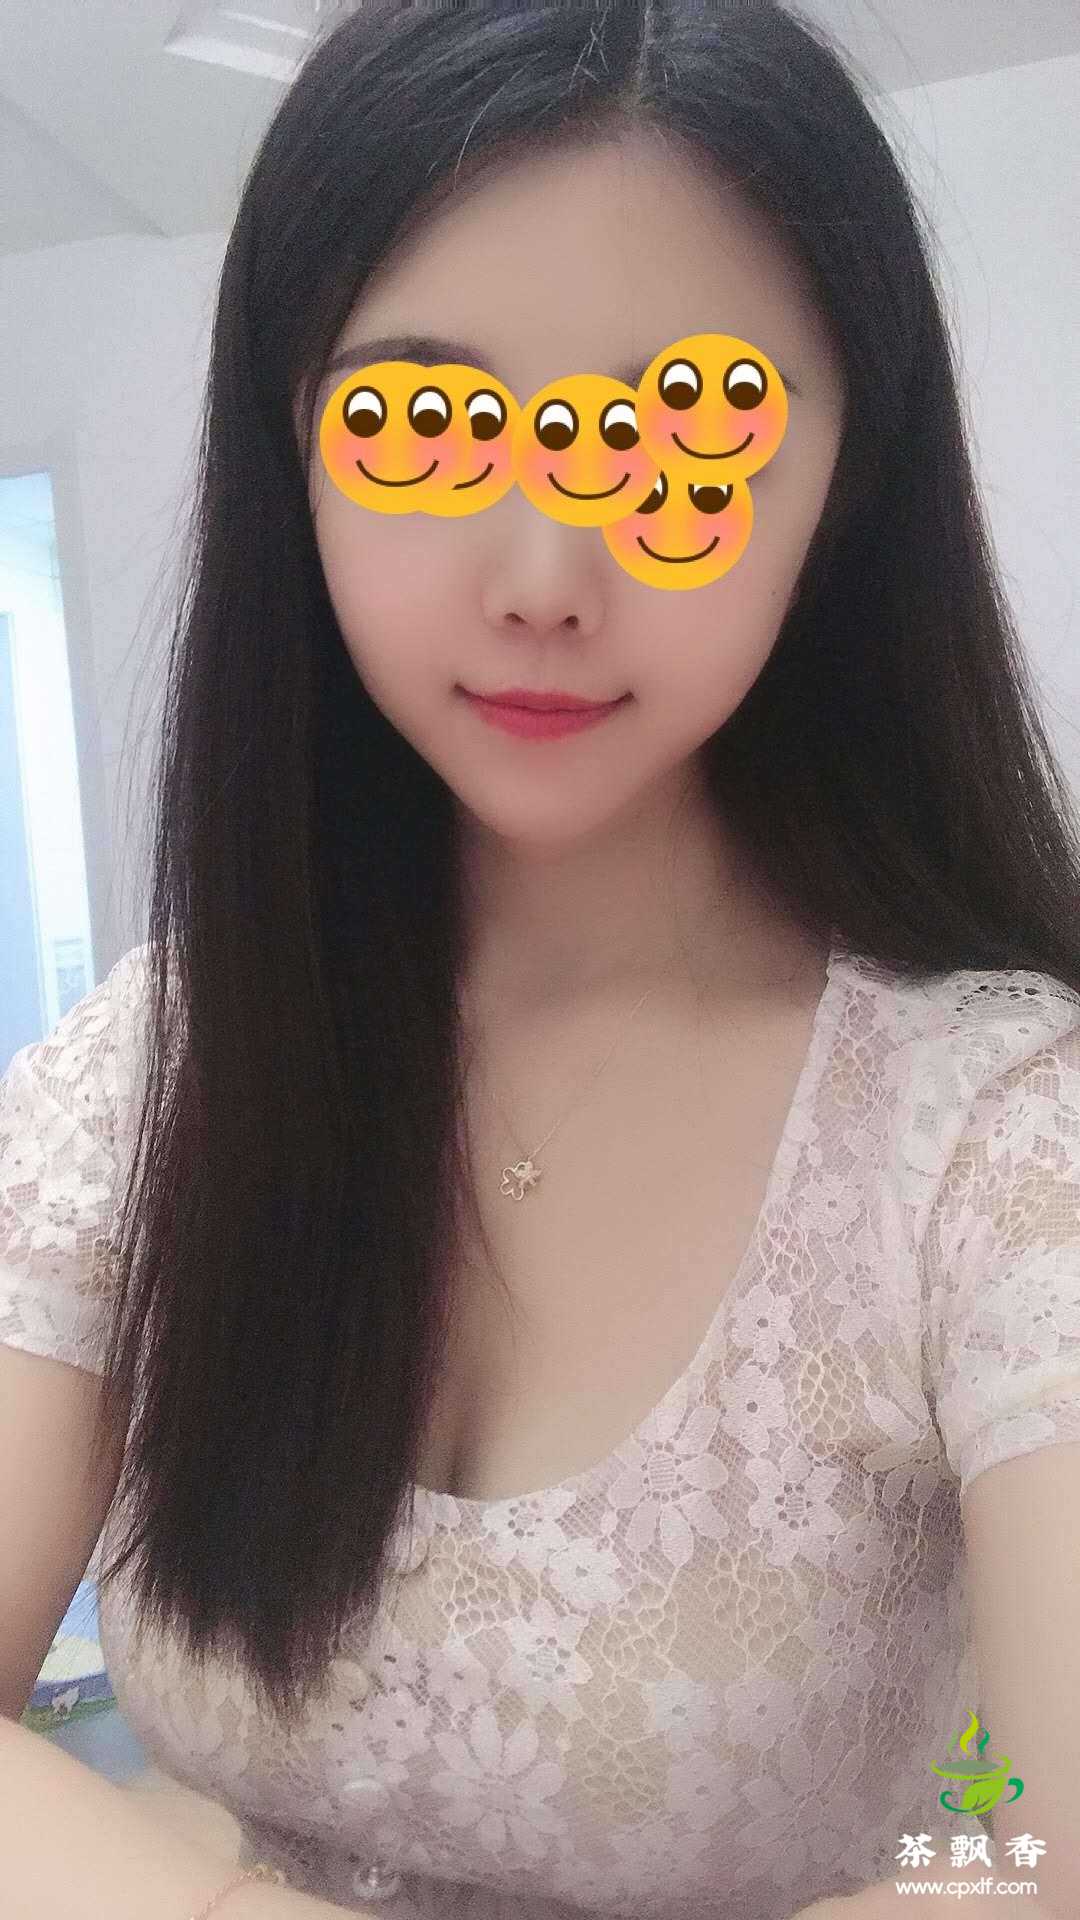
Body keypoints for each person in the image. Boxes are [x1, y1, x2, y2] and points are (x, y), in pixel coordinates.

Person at [2, 2, 1079, 1916]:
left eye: (691, 428)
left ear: (847, 481)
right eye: (425, 425)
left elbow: (1047, 1855)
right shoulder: (162, 1062)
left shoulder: (997, 1142)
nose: (544, 576)